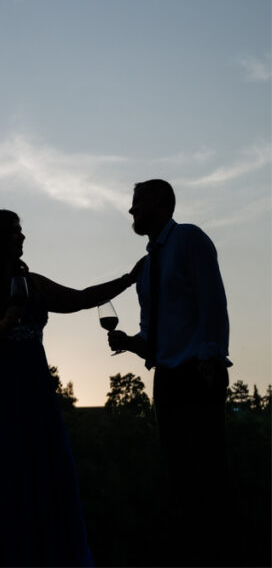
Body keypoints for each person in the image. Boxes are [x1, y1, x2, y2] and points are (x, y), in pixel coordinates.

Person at [0, 209, 138, 567]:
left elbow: (83, 298)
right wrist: (6, 322)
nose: (22, 238)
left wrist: (130, 279)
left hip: (33, 389)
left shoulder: (34, 284)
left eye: (21, 232)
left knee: (44, 472)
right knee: (3, 476)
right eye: (15, 233)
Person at [107, 179, 230, 567]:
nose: (131, 210)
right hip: (167, 380)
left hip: (199, 373)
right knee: (179, 476)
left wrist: (211, 358)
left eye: (137, 202)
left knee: (208, 474)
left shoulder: (191, 240)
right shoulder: (146, 267)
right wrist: (128, 342)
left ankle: (219, 553)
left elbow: (213, 301)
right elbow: (152, 335)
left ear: (160, 203)